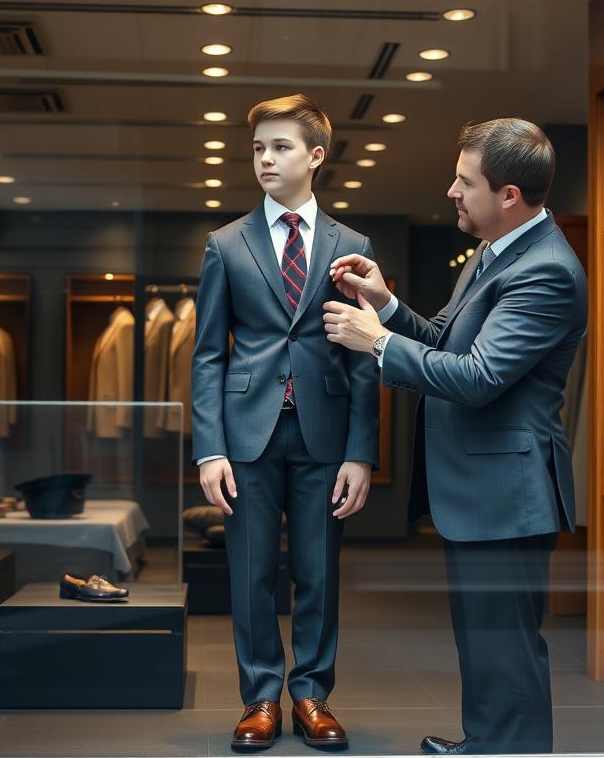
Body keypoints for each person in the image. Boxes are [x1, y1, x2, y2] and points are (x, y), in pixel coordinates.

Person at [323, 118, 587, 755]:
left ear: (508, 197)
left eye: (465, 182)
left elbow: (479, 377)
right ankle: (487, 742)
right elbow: (444, 339)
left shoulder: (545, 270)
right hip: (482, 492)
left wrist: (377, 342)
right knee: (484, 639)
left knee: (507, 645)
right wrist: (385, 304)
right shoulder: (494, 254)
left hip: (509, 494)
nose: (450, 192)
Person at [192, 94, 380, 751]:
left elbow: (364, 357)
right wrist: (207, 448)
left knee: (318, 570)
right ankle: (259, 697)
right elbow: (208, 354)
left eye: (280, 147)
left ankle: (312, 695)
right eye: (258, 148)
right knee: (250, 572)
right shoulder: (225, 245)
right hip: (246, 432)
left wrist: (361, 453)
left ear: (316, 156)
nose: (265, 159)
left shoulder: (352, 246)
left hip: (324, 432)